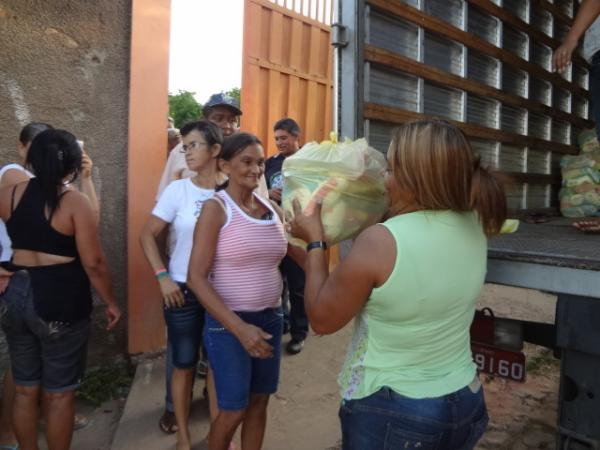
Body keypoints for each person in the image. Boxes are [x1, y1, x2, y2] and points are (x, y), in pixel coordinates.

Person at [288, 120, 506, 449]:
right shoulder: (474, 222)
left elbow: (321, 318)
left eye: (389, 169)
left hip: (397, 412)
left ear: (414, 179)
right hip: (464, 400)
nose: (383, 179)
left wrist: (316, 240)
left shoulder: (381, 241)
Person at [0, 129, 121, 450]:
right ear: (71, 162)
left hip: (16, 294)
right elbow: (94, 263)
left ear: (32, 158)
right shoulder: (74, 202)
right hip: (60, 299)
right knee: (60, 393)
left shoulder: (8, 195)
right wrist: (111, 301)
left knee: (25, 389)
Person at [187, 132, 304, 450]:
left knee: (258, 403)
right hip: (229, 325)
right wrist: (240, 329)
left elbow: (301, 254)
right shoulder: (216, 208)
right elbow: (196, 278)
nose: (256, 169)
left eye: (261, 162)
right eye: (247, 162)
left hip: (270, 319)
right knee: (232, 410)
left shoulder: (270, 207)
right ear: (224, 164)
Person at [140, 121, 223, 450]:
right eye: (184, 146)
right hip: (182, 291)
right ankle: (184, 439)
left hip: (220, 292)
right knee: (183, 363)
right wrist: (162, 277)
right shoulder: (179, 190)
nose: (186, 152)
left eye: (193, 145)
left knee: (218, 365)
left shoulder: (230, 190)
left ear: (215, 150)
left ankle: (218, 437)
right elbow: (147, 234)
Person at [265, 118, 309, 354]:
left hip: (298, 232)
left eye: (283, 138)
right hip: (274, 231)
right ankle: (282, 323)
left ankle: (299, 332)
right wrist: (269, 192)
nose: (279, 143)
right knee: (276, 283)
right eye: (277, 139)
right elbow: (259, 191)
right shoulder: (270, 163)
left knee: (297, 286)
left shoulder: (309, 162)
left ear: (296, 136)